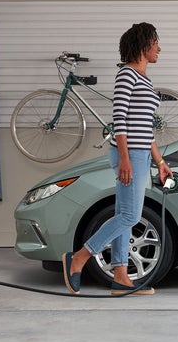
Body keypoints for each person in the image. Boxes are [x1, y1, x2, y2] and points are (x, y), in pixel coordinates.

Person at [61, 22, 172, 295]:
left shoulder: (144, 79)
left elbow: (145, 128)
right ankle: (79, 258)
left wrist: (160, 162)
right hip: (128, 153)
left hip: (140, 152)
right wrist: (124, 158)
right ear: (143, 44)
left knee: (125, 215)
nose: (160, 47)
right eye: (156, 42)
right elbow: (119, 120)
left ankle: (121, 276)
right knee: (130, 216)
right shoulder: (127, 75)